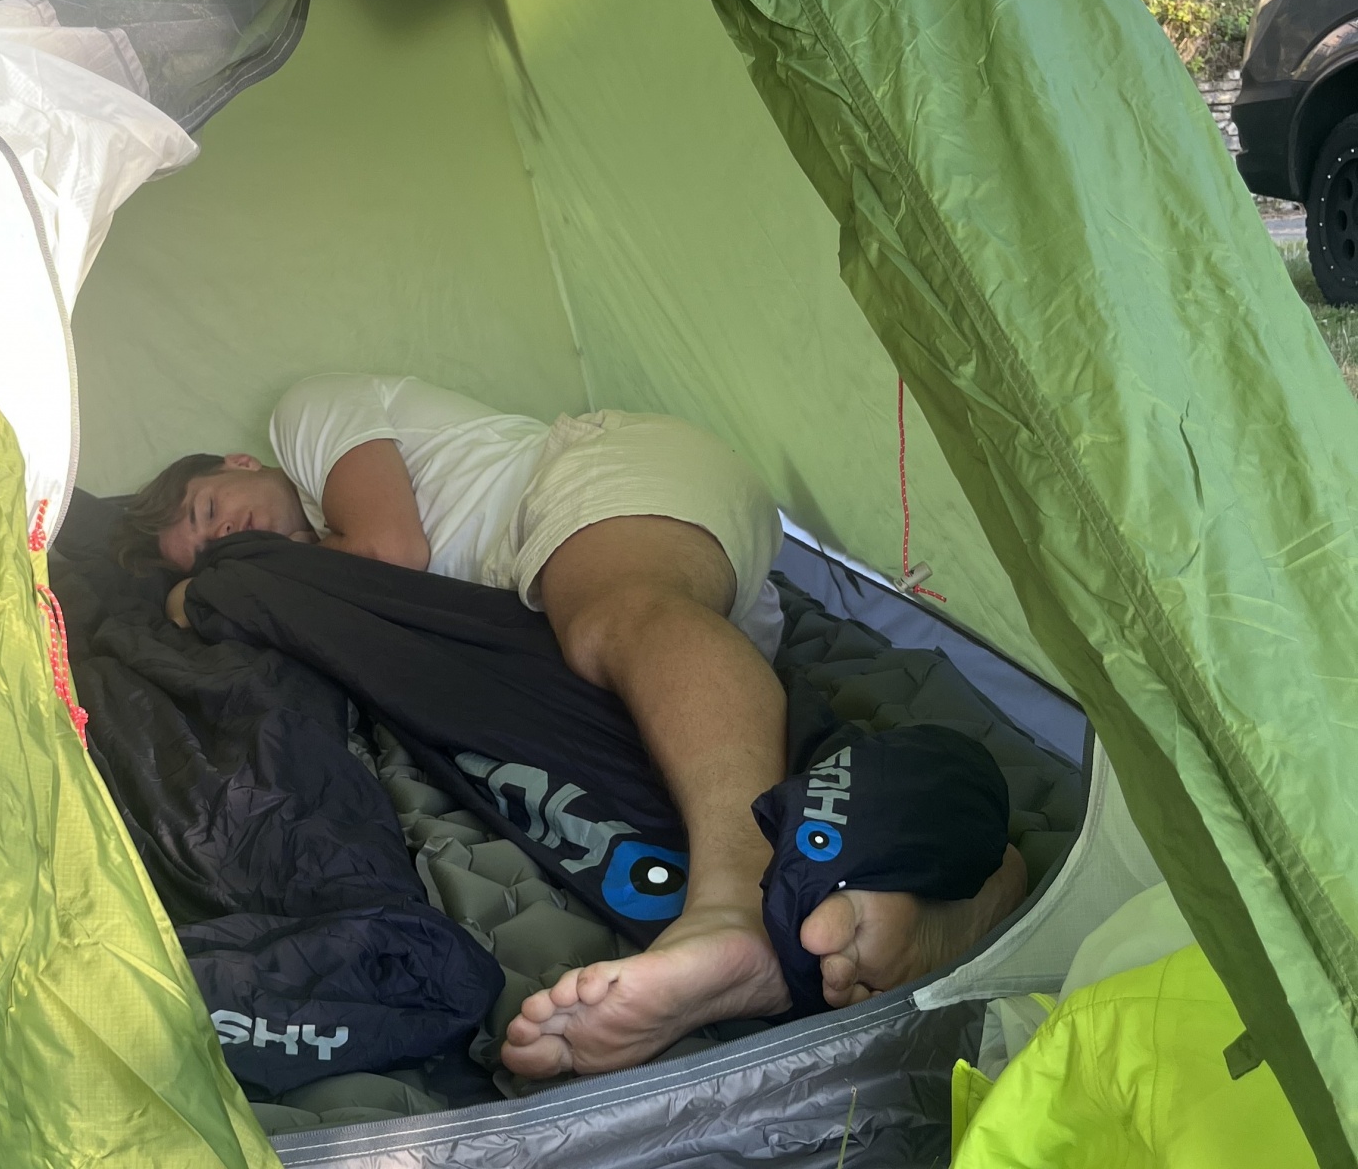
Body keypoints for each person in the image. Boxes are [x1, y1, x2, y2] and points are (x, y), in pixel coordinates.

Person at [118, 373, 1026, 1079]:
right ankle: (946, 889)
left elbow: (393, 550)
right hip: (610, 600)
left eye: (209, 512)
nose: (227, 535)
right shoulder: (317, 558)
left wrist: (225, 583)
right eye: (207, 545)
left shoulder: (307, 417)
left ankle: (733, 909)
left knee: (614, 618)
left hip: (611, 484)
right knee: (675, 745)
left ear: (236, 464)